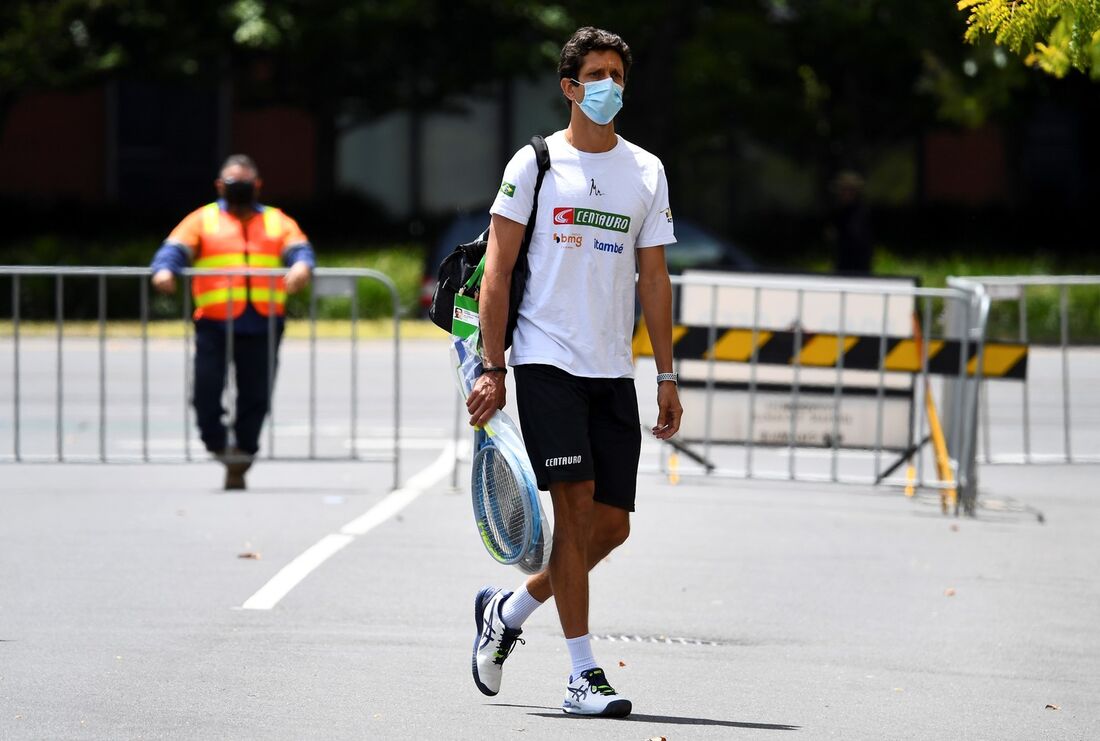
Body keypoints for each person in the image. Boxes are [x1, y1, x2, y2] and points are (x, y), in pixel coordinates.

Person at [466, 27, 682, 718]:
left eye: (617, 73)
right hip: (544, 358)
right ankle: (583, 675)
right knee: (575, 502)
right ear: (569, 86)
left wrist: (668, 374)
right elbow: (496, 272)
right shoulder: (535, 163)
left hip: (611, 368)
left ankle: (509, 608)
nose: (608, 85)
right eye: (595, 73)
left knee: (611, 527)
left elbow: (654, 277)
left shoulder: (646, 170)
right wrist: (493, 366)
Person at [150, 154, 314, 490]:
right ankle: (219, 446)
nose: (238, 189)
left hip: (264, 321)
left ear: (258, 186)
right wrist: (164, 271)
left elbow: (300, 250)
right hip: (214, 323)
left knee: (256, 396)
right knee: (205, 394)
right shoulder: (202, 219)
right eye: (232, 183)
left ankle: (242, 454)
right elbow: (173, 250)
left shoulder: (276, 220)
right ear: (219, 186)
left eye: (245, 183)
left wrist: (301, 267)